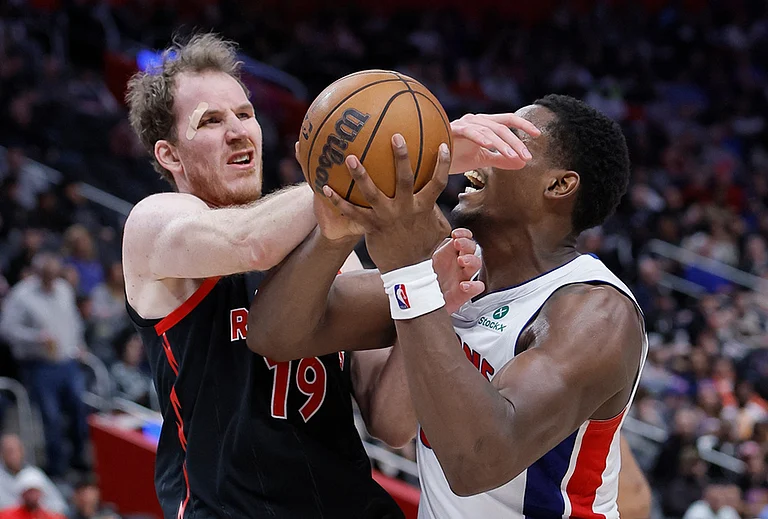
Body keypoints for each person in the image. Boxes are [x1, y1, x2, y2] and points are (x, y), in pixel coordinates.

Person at [122, 32, 529, 518]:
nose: (238, 131)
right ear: (169, 155)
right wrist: (410, 151)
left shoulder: (329, 243)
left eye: (245, 114)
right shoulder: (155, 223)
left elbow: (391, 421)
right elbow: (250, 242)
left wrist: (429, 303)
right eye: (210, 121)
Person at [253, 94, 646, 518]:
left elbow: (477, 463)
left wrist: (411, 276)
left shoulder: (596, 313)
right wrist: (345, 222)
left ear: (558, 185)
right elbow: (273, 334)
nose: (479, 154)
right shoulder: (455, 272)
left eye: (507, 141)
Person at [0, 253, 89, 477]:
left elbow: (74, 320)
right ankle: (56, 468)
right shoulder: (22, 295)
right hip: (39, 365)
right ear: (37, 274)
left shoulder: (63, 289)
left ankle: (79, 459)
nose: (51, 281)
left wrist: (79, 343)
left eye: (53, 276)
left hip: (67, 362)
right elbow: (7, 330)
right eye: (46, 276)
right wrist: (36, 338)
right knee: (51, 417)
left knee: (79, 409)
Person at [0, 435, 67, 514]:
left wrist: (39, 511)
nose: (13, 456)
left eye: (16, 450)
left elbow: (59, 505)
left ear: (22, 451)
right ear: (2, 454)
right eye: (8, 451)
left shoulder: (35, 474)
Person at [0, 469, 65, 519]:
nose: (32, 495)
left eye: (35, 491)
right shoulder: (6, 516)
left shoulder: (54, 517)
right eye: (29, 491)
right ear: (22, 493)